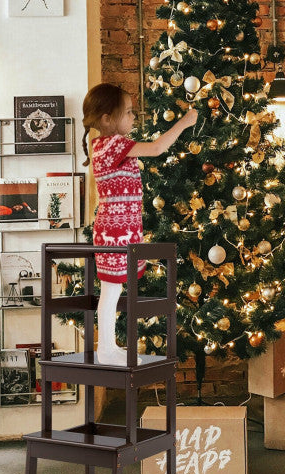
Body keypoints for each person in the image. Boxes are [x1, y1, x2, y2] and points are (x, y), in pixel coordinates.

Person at [82, 83, 197, 365]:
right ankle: (106, 348)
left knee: (114, 289)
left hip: (120, 229)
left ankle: (108, 345)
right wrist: (184, 122)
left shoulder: (103, 145)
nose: (134, 117)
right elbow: (157, 148)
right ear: (108, 118)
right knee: (111, 289)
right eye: (129, 112)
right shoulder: (113, 144)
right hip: (115, 231)